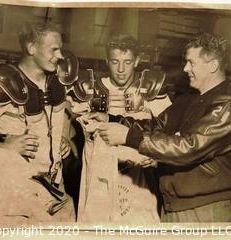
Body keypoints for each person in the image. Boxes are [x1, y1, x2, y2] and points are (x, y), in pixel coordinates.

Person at [88, 32, 231, 222]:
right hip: (174, 204)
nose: (185, 68)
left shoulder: (230, 103)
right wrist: (112, 119)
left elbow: (188, 147)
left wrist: (128, 137)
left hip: (204, 209)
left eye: (191, 62)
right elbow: (156, 125)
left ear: (213, 65)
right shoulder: (191, 98)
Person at [0, 21, 78, 229]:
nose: (60, 56)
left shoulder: (59, 81)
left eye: (61, 49)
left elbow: (67, 115)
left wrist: (65, 136)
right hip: (19, 189)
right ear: (31, 48)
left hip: (57, 185)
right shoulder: (3, 83)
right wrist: (3, 147)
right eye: (54, 49)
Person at [72, 34, 171, 223]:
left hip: (137, 173)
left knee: (139, 223)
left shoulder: (149, 90)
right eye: (115, 62)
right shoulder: (91, 89)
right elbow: (68, 118)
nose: (120, 69)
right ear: (107, 60)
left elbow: (169, 128)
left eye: (127, 62)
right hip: (98, 173)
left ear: (136, 61)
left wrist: (157, 157)